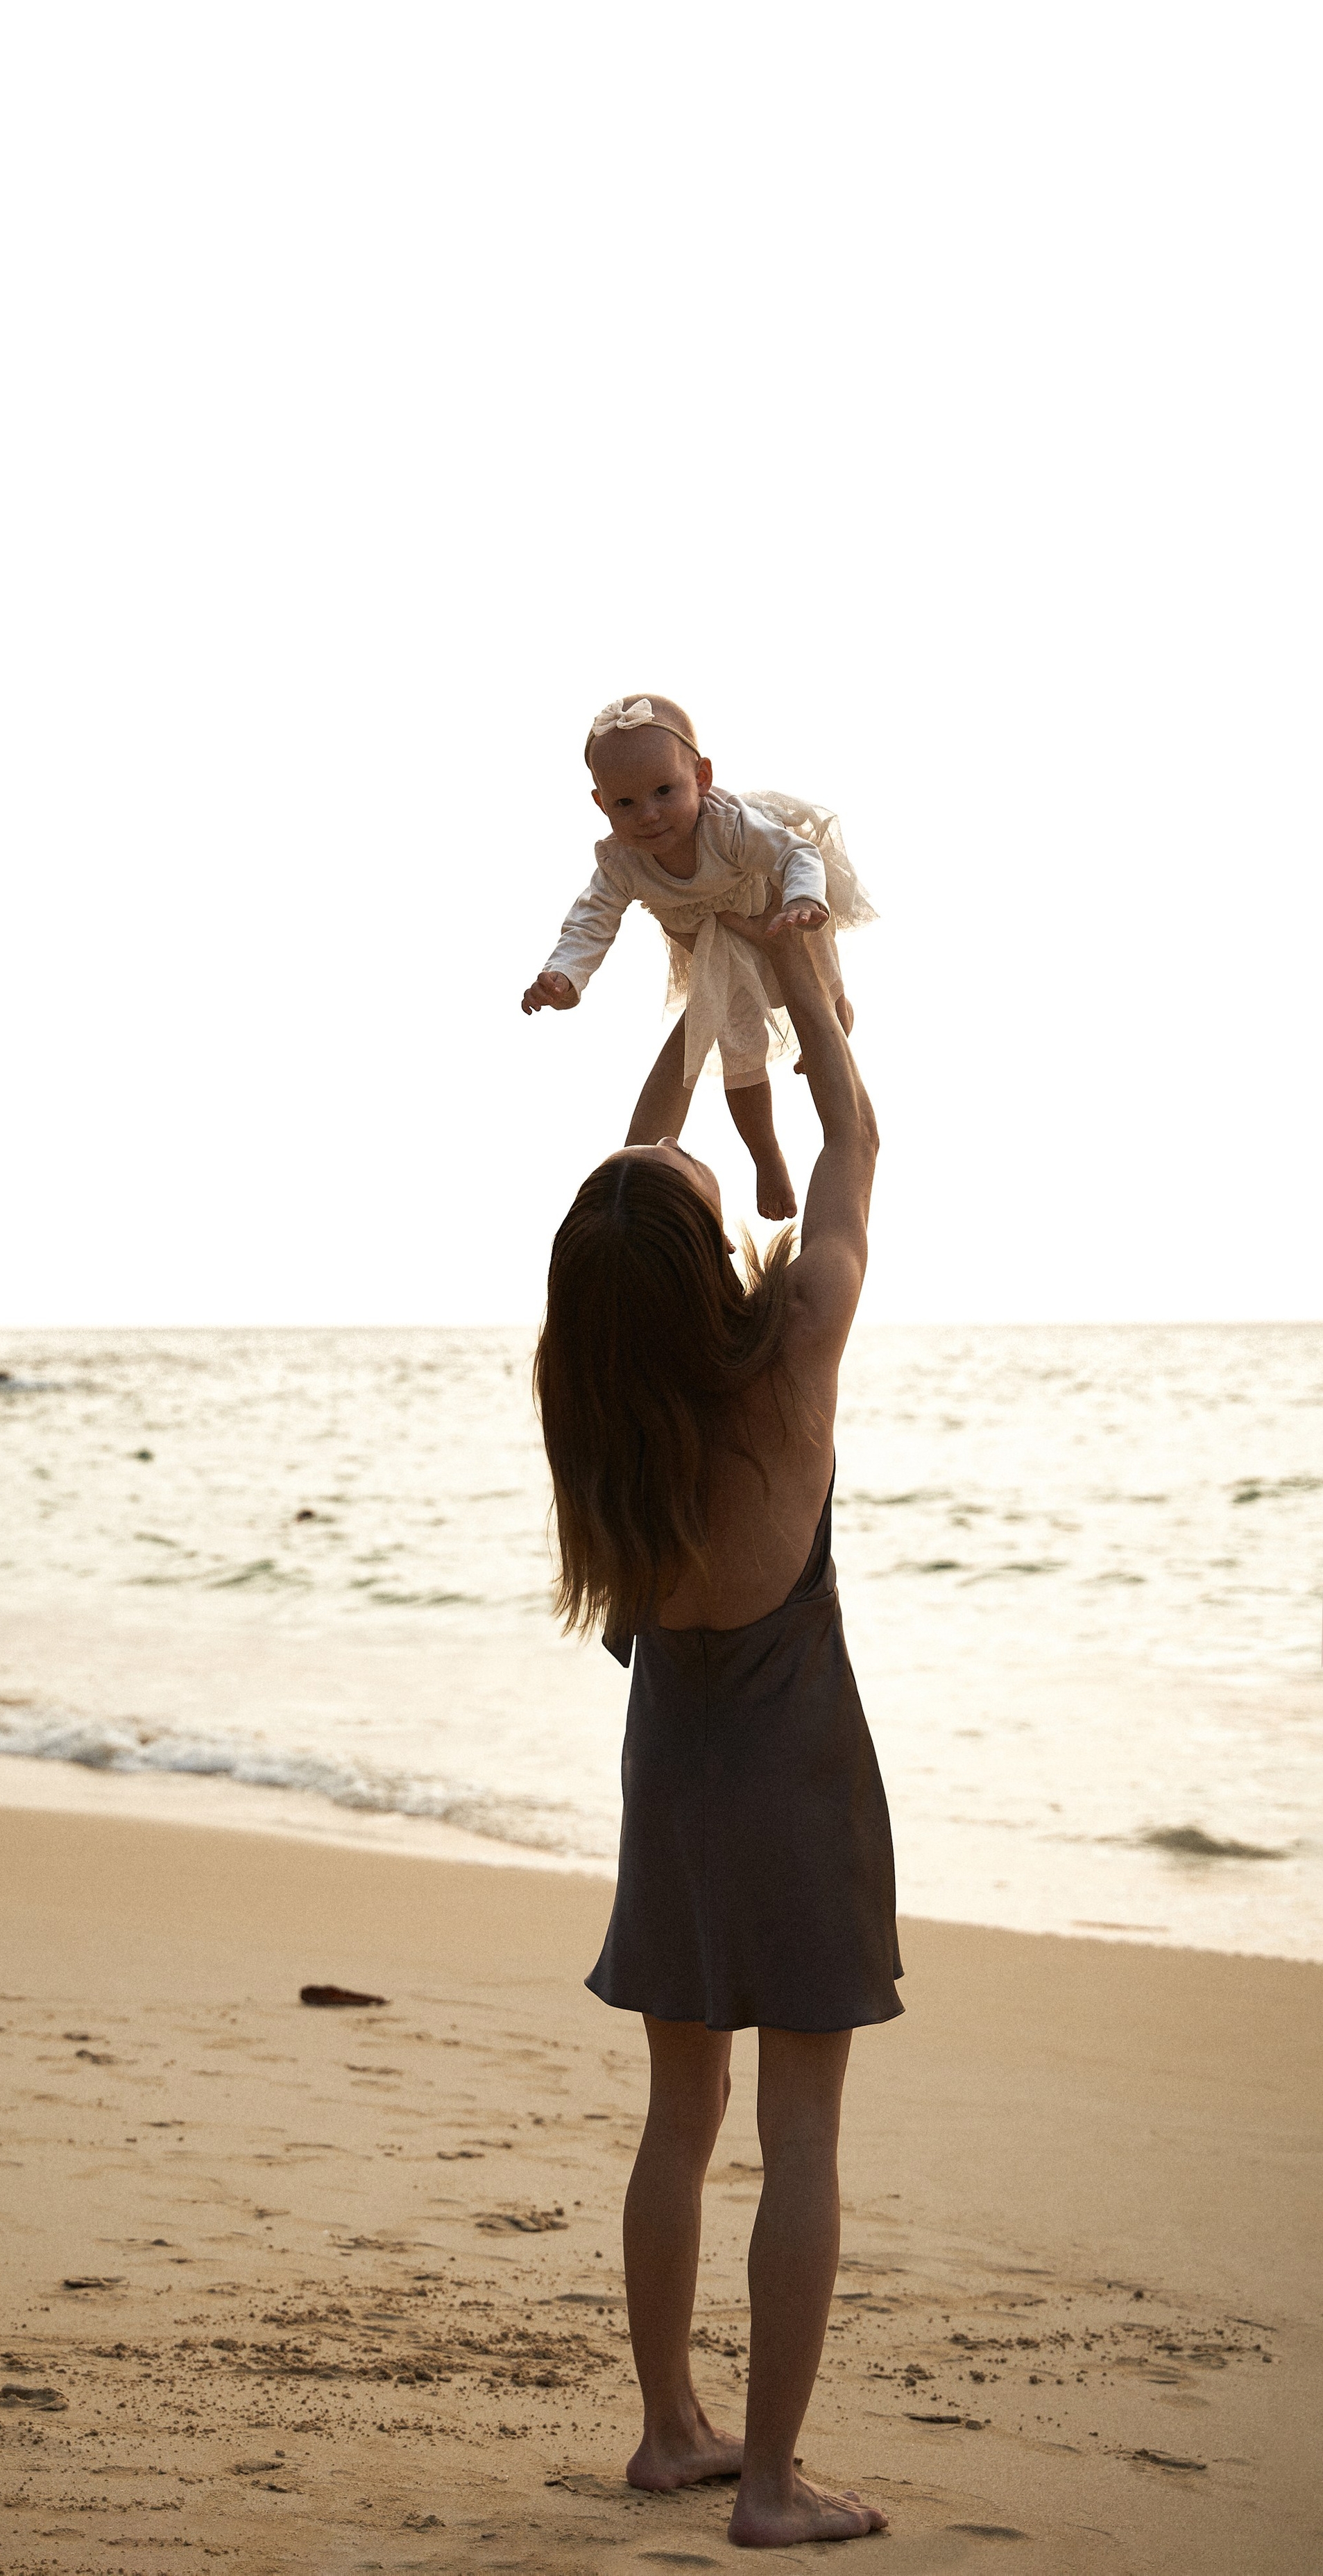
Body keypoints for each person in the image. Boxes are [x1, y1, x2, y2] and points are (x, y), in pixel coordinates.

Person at [534, 915, 897, 2550]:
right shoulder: (792, 1348)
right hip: (795, 1771)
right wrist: (796, 980)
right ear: (703, 1261)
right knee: (796, 2127)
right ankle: (766, 2480)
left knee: (677, 2119)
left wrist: (701, 983)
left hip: (667, 1775)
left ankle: (669, 2428)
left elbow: (641, 1167)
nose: (677, 1167)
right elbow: (851, 1139)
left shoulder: (599, 1406)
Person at [520, 694, 875, 1223]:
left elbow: (796, 854)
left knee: (820, 988)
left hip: (776, 908)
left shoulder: (728, 827)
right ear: (601, 804)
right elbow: (591, 920)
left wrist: (802, 898)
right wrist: (564, 977)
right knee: (739, 1052)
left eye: (665, 791)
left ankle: (835, 1025)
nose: (649, 814)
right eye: (626, 804)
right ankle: (767, 1156)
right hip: (715, 947)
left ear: (702, 778)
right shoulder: (621, 862)